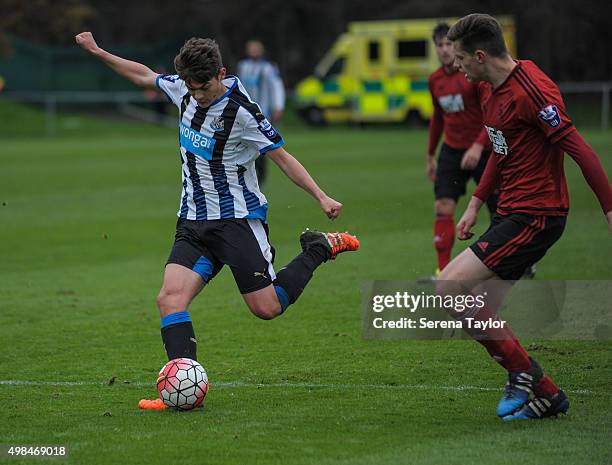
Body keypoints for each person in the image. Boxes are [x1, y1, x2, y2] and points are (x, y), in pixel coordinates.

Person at [74, 32, 359, 410]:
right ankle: (181, 390)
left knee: (267, 308)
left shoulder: (242, 111)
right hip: (192, 222)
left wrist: (321, 195)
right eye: (192, 88)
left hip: (236, 222)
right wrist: (97, 51)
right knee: (170, 299)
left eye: (204, 87)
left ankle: (319, 247)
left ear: (220, 73)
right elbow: (143, 75)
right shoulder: (185, 89)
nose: (198, 95)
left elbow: (282, 157)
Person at [438, 14, 612, 421]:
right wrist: (475, 203)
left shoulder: (533, 90)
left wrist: (608, 208)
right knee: (475, 308)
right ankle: (549, 395)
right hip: (508, 213)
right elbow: (501, 149)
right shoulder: (488, 89)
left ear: (481, 55)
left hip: (538, 213)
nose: (456, 66)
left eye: (461, 58)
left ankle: (523, 373)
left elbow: (581, 150)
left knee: (448, 287)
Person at [426, 23, 494, 275]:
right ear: (435, 48)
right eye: (440, 45)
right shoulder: (434, 80)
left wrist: (478, 146)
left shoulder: (472, 75)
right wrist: (430, 154)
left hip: (484, 150)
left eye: (448, 44)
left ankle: (512, 263)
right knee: (443, 206)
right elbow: (438, 118)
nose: (444, 50)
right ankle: (443, 271)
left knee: (499, 210)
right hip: (452, 151)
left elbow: (492, 114)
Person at [237, 40, 286, 186]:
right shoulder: (243, 66)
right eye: (251, 48)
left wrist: (278, 106)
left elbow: (277, 86)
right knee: (243, 142)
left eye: (256, 49)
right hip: (244, 112)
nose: (253, 51)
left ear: (261, 50)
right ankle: (247, 172)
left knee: (262, 144)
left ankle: (261, 174)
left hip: (262, 112)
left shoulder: (268, 68)